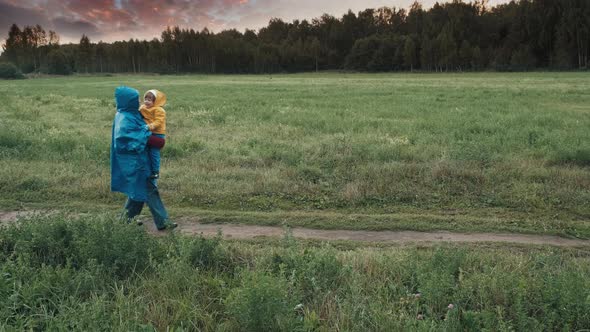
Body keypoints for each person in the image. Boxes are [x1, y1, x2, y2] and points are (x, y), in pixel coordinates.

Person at [110, 86, 177, 231]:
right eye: (135, 99)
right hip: (136, 162)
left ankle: (126, 221)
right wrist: (156, 141)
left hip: (139, 159)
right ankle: (163, 222)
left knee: (138, 190)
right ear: (128, 101)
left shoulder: (127, 114)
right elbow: (127, 138)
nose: (139, 101)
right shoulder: (125, 118)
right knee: (150, 189)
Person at [140, 89, 167, 179]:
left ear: (156, 101)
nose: (147, 101)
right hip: (147, 132)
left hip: (157, 133)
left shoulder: (159, 110)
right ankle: (146, 169)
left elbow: (158, 122)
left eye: (150, 100)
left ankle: (156, 172)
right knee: (146, 151)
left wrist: (149, 126)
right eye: (146, 99)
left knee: (154, 153)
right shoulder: (143, 107)